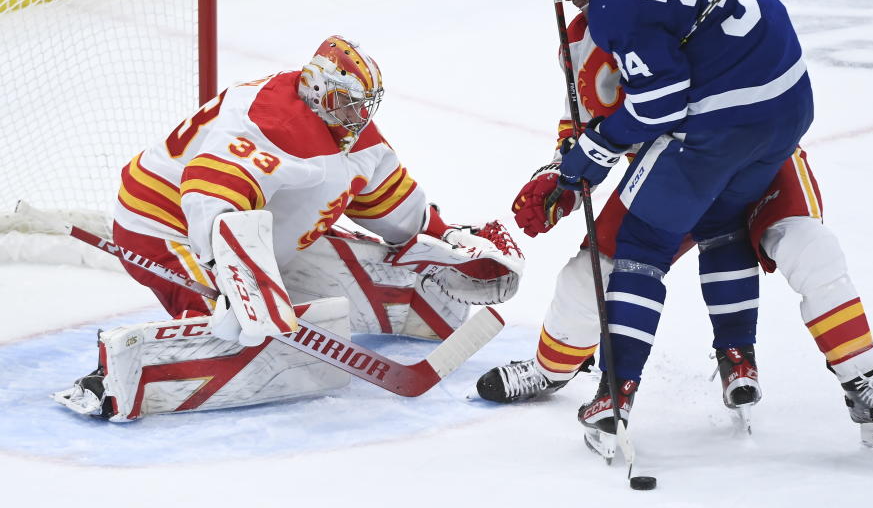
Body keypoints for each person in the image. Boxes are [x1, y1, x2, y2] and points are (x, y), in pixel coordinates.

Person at [476, 9, 873, 448]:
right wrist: (561, 177)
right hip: (668, 173)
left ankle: (863, 381)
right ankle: (551, 368)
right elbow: (582, 125)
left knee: (810, 248)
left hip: (753, 155)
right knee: (587, 273)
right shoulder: (583, 38)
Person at [506, 0, 823, 458]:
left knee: (647, 246)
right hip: (783, 95)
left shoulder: (616, 10)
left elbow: (655, 109)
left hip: (714, 125)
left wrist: (583, 163)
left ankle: (616, 393)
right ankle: (736, 360)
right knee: (711, 226)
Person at [53, 35, 524, 421]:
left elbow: (387, 198)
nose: (357, 119)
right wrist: (236, 277)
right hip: (167, 225)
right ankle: (111, 378)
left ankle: (413, 297)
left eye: (364, 106)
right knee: (224, 326)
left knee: (324, 266)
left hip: (256, 229)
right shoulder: (269, 123)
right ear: (317, 92)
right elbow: (210, 196)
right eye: (345, 105)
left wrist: (447, 237)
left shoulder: (349, 131)